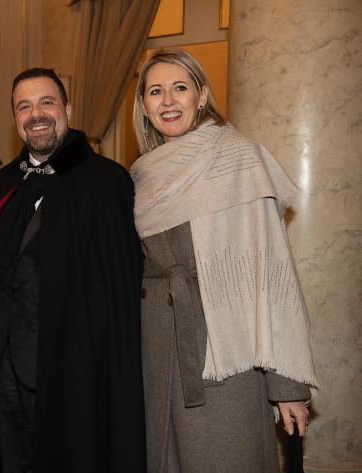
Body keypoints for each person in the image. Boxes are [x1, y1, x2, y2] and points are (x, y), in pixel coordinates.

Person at [130, 48, 319, 473]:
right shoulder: (141, 173)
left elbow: (272, 271)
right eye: (155, 91)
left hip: (223, 354)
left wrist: (287, 386)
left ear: (201, 96)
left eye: (180, 88)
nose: (168, 101)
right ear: (143, 105)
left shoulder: (237, 157)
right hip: (156, 354)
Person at [0, 68, 146, 473]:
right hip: (6, 369)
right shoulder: (3, 183)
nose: (36, 114)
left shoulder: (106, 182)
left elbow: (118, 290)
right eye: (24, 107)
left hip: (73, 370)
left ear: (68, 109)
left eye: (46, 102)